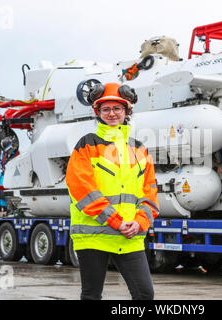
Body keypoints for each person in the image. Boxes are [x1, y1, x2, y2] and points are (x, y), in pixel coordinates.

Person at [65, 82, 159, 300]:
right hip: (93, 236)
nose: (112, 113)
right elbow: (82, 189)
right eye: (105, 109)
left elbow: (150, 193)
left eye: (117, 108)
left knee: (145, 294)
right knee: (91, 295)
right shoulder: (86, 145)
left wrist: (140, 222)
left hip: (130, 235)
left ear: (127, 111)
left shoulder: (140, 149)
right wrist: (115, 221)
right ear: (97, 112)